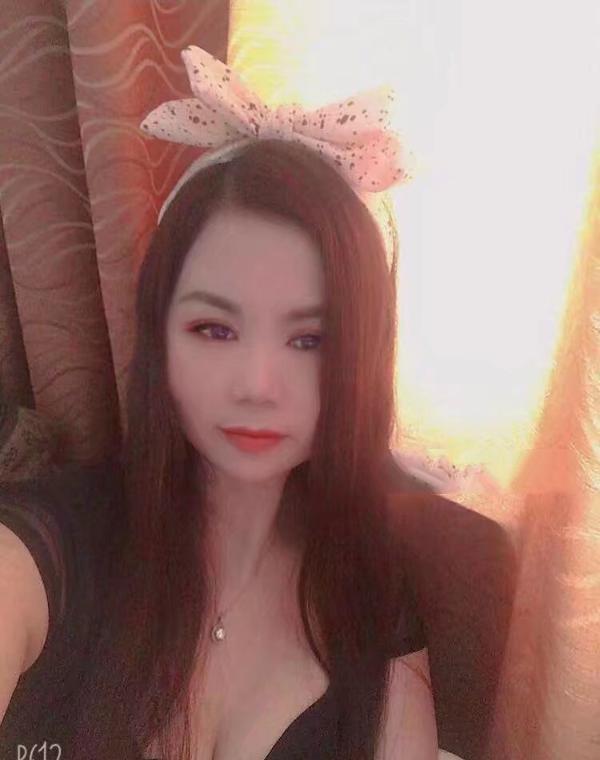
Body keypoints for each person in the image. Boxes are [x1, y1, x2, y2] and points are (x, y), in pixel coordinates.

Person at [0, 45, 516, 760]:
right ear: (159, 335)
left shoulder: (375, 601)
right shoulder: (43, 552)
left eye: (311, 339)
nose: (257, 383)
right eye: (214, 328)